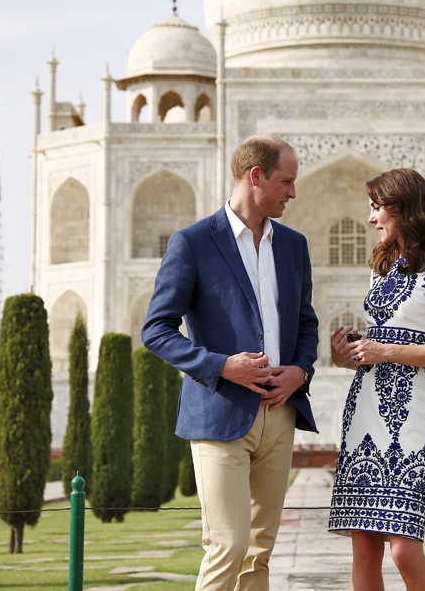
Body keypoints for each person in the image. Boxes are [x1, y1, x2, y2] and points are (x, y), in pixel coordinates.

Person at [142, 135, 319, 591]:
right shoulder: (195, 243)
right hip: (221, 412)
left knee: (260, 550)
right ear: (255, 176)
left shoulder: (293, 246)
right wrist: (221, 365)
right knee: (228, 544)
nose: (294, 193)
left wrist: (300, 370)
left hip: (279, 412)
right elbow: (156, 331)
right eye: (287, 181)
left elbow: (306, 324)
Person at [327, 168, 425, 591]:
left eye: (376, 208)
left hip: (408, 413)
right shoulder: (382, 269)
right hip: (364, 408)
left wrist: (385, 351)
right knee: (364, 546)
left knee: (404, 548)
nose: (371, 219)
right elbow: (374, 347)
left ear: (402, 208)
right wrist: (345, 357)